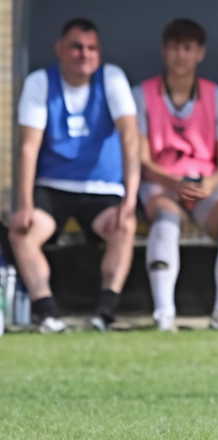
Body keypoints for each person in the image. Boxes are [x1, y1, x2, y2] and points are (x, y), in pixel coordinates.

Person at [9, 18, 140, 333]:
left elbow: (131, 138)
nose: (84, 54)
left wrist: (130, 200)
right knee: (23, 231)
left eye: (91, 48)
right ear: (60, 49)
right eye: (77, 47)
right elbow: (28, 148)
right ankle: (47, 312)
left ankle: (105, 313)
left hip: (102, 186)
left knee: (124, 226)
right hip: (53, 186)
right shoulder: (41, 82)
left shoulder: (111, 79)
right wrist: (24, 204)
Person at [135, 19, 218, 332]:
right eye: (174, 47)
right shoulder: (141, 95)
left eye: (187, 48)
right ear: (163, 51)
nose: (180, 55)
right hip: (161, 181)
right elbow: (141, 160)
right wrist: (173, 183)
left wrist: (210, 184)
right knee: (166, 220)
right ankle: (164, 313)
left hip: (204, 183)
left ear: (200, 53)